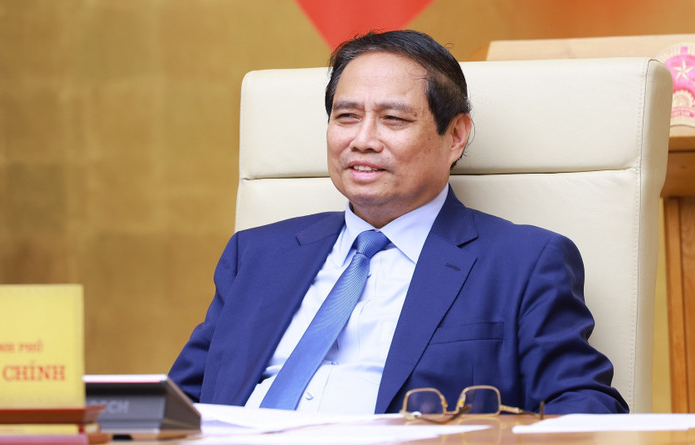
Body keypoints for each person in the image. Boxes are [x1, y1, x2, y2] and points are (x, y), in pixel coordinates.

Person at [168, 30, 628, 415]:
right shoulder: (256, 254)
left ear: (456, 136)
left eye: (392, 119)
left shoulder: (523, 262)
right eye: (346, 117)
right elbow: (177, 405)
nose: (362, 140)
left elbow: (584, 405)